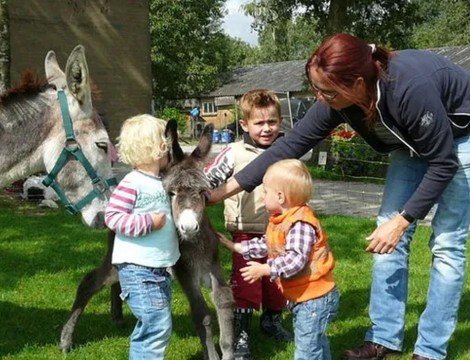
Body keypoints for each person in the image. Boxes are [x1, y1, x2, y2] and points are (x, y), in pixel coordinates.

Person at [208, 33, 470, 360]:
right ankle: (385, 340)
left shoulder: (410, 88)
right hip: (408, 143)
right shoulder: (336, 96)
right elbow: (290, 146)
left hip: (460, 137)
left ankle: (430, 350)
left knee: (446, 244)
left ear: (358, 83)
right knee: (383, 234)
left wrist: (403, 221)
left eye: (326, 91)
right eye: (316, 88)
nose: (320, 97)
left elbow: (443, 163)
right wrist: (220, 193)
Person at [218, 159, 340, 360]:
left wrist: (265, 269)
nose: (263, 196)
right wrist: (237, 247)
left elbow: (295, 260)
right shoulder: (281, 220)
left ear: (280, 197)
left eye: (265, 192)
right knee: (315, 343)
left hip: (315, 299)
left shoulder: (300, 224)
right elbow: (269, 244)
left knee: (306, 350)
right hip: (306, 297)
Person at [204, 89, 293, 360]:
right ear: (244, 124)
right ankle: (240, 333)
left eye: (272, 122)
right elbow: (208, 179)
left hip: (280, 231)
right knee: (246, 284)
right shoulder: (234, 152)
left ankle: (272, 320)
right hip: (245, 232)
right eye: (259, 123)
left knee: (278, 281)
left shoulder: (288, 150)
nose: (267, 129)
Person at [105, 114, 179, 360]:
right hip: (138, 270)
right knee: (156, 325)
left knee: (157, 324)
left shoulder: (161, 181)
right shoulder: (132, 183)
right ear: (159, 147)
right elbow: (113, 217)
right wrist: (148, 222)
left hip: (157, 270)